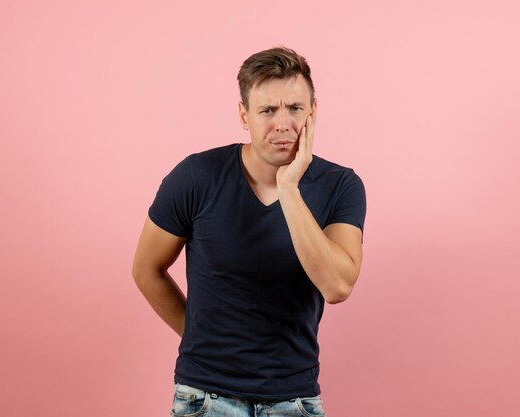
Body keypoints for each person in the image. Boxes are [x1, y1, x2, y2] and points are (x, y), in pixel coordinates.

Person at [132, 46, 366, 417]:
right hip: (205, 397)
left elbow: (337, 286)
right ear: (244, 115)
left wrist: (289, 188)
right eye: (267, 110)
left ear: (314, 111)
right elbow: (145, 269)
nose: (283, 123)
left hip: (295, 399)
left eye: (295, 108)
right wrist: (198, 338)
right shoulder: (197, 176)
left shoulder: (340, 185)